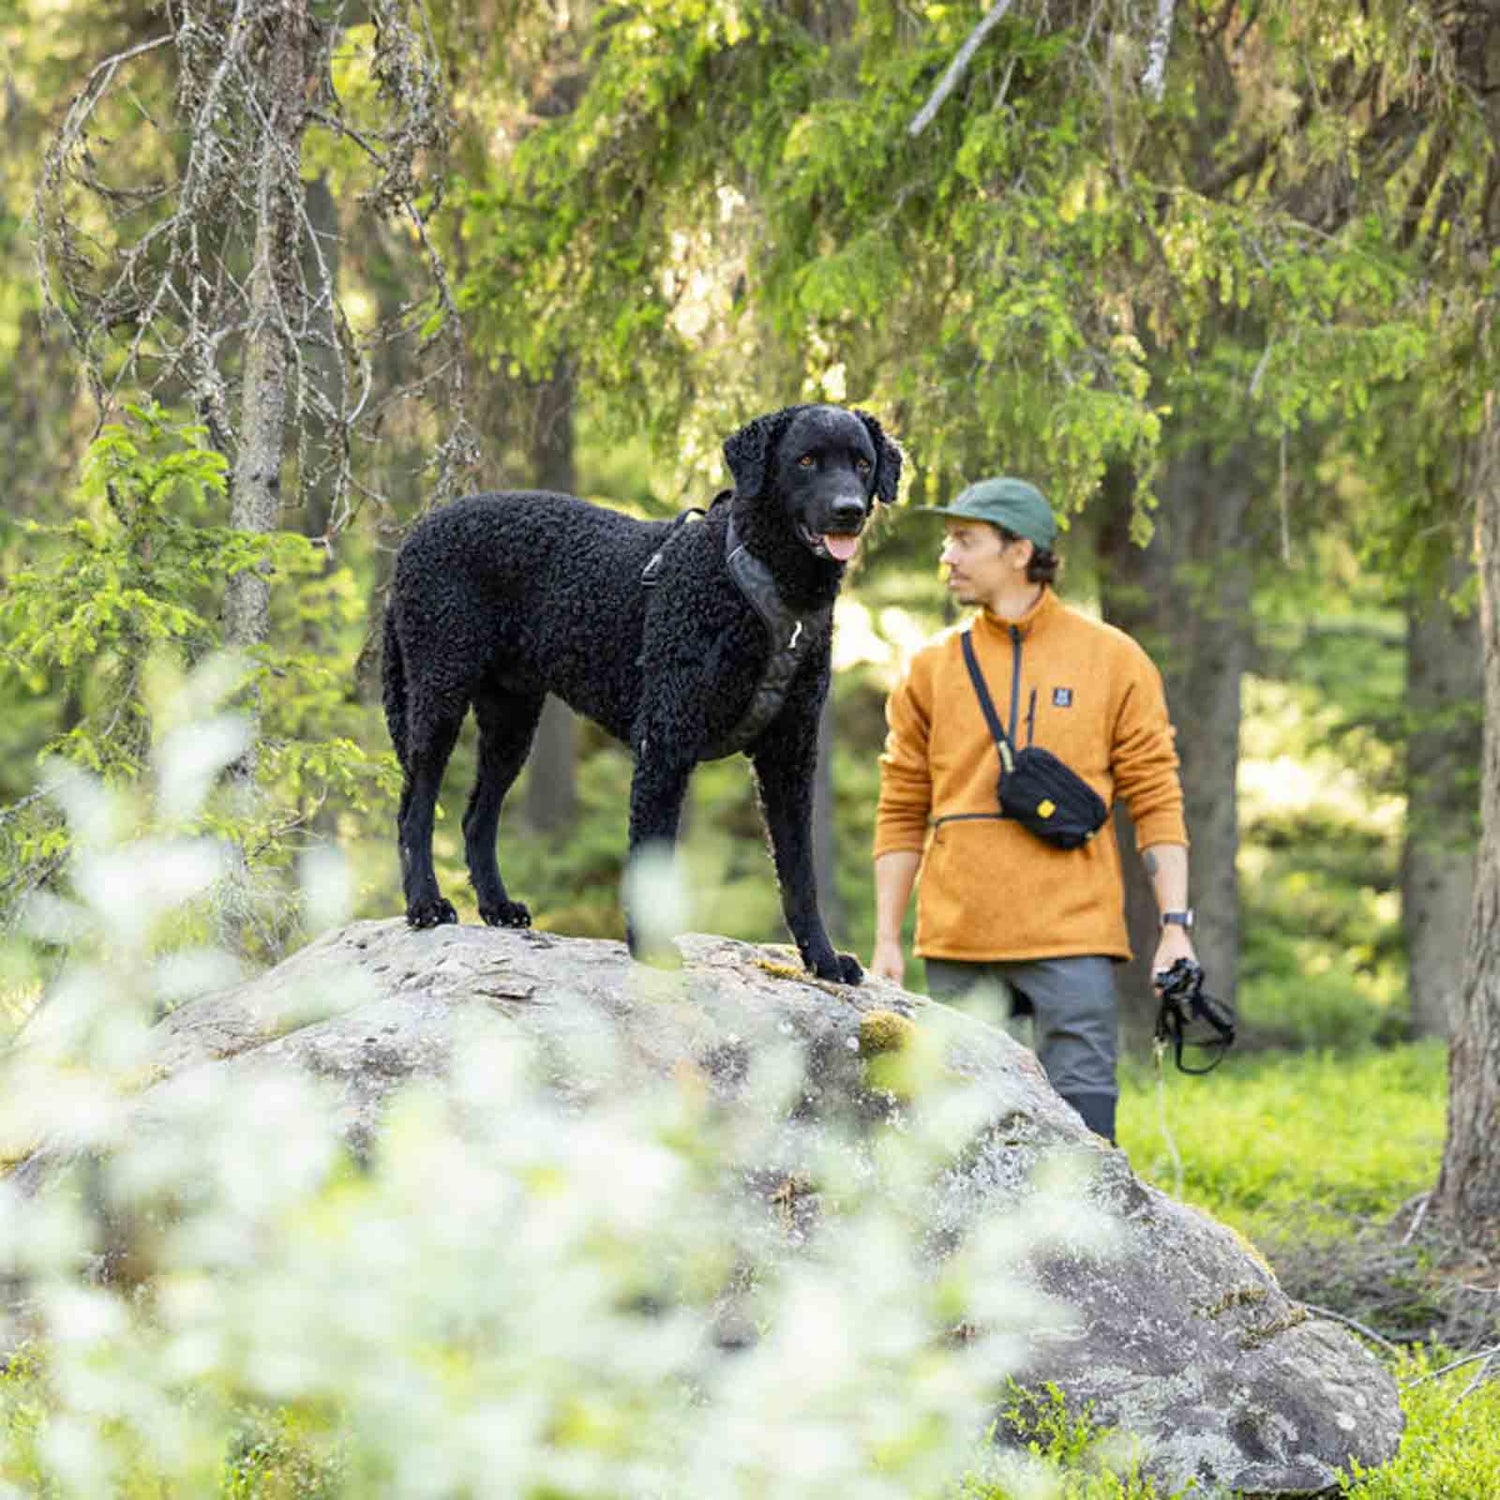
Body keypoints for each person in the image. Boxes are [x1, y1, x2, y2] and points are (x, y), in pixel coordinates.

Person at [869, 476, 1196, 1144]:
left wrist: (1175, 927)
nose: (948, 556)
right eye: (948, 540)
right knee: (962, 1137)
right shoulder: (930, 666)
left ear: (1020, 551)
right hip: (958, 939)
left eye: (966, 540)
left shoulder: (1113, 659)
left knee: (1085, 1139)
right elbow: (902, 804)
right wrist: (885, 940)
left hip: (1073, 935)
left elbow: (1156, 795)